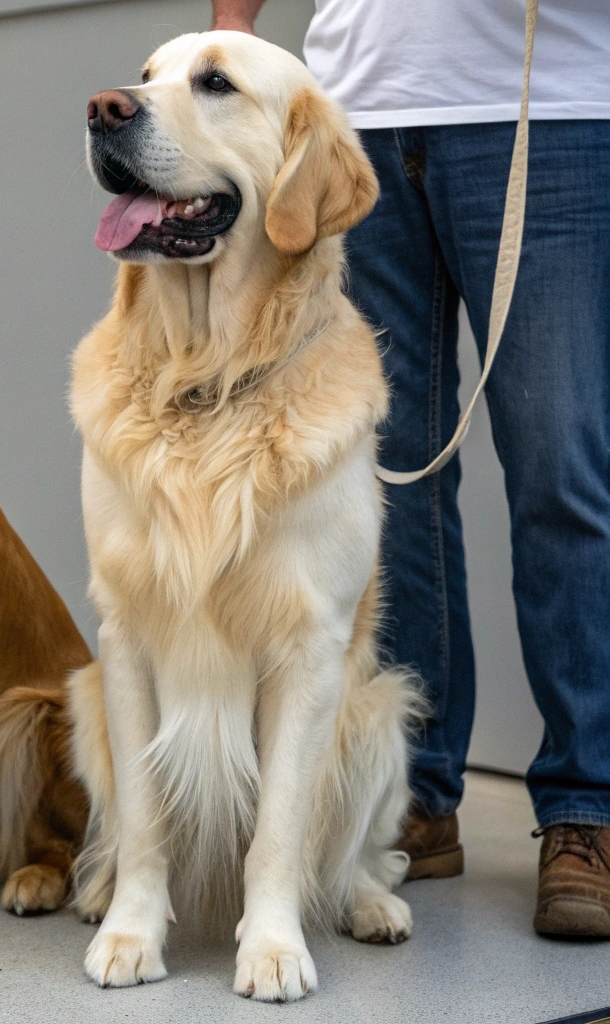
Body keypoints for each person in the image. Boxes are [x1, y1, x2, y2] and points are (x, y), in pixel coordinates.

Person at [211, 0, 610, 937]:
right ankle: (413, 789)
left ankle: (587, 806)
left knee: (561, 464)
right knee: (384, 475)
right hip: (356, 112)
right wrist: (233, 27)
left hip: (544, 110)